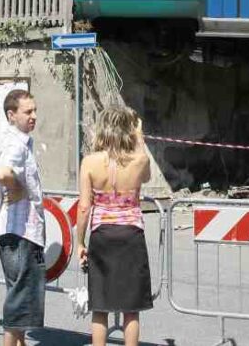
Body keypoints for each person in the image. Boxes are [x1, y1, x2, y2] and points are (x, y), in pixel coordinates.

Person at [75, 106, 153, 346]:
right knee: (131, 308)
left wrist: (80, 241)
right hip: (131, 234)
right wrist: (139, 138)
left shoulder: (89, 162)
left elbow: (85, 207)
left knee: (100, 306)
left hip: (102, 234)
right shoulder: (139, 160)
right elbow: (147, 175)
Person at [0, 90, 45, 346]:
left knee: (17, 294)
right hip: (20, 231)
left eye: (34, 110)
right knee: (20, 297)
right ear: (12, 115)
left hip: (14, 230)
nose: (34, 116)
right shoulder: (15, 143)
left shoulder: (16, 139)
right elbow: (2, 173)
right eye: (28, 111)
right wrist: (16, 188)